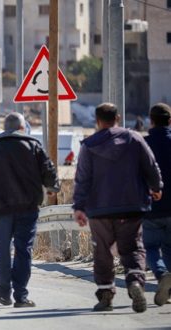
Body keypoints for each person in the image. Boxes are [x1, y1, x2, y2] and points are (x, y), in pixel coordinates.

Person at [73, 103, 163, 313]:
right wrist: (156, 186)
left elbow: (82, 179)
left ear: (97, 121)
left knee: (102, 251)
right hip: (132, 205)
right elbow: (151, 165)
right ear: (118, 118)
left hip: (99, 209)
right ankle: (134, 282)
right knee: (132, 248)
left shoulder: (89, 145)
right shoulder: (134, 138)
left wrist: (79, 206)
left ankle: (105, 295)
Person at [0, 112, 60, 308]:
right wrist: (53, 187)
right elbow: (49, 171)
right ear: (22, 127)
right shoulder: (33, 145)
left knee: (3, 249)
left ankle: (4, 292)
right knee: (24, 250)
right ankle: (21, 296)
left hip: (0, 209)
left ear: (5, 128)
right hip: (27, 208)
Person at [142, 103, 171, 306]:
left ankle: (161, 276)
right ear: (170, 121)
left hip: (151, 206)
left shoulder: (143, 145)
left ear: (150, 121)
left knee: (150, 246)